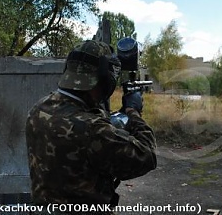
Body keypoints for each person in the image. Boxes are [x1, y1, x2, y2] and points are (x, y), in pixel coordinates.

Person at [25, 40, 157, 214]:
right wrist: (133, 113)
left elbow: (83, 132)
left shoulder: (39, 109)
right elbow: (146, 156)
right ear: (104, 77)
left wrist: (118, 116)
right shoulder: (92, 130)